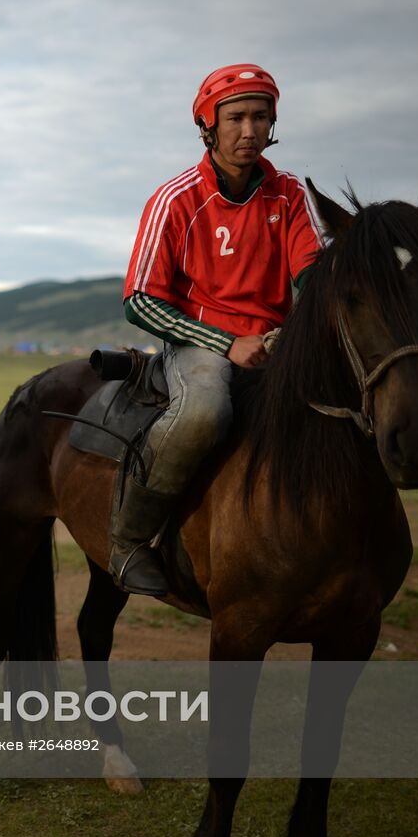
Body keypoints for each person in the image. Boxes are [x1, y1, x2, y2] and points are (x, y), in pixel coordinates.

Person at [116, 63, 321, 596]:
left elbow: (315, 276)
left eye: (260, 117)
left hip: (276, 342)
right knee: (206, 410)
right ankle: (130, 540)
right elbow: (139, 300)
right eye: (235, 118)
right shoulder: (176, 199)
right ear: (208, 125)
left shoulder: (291, 195)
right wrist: (229, 343)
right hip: (200, 344)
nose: (249, 130)